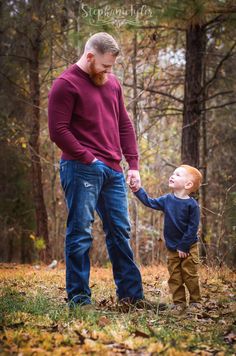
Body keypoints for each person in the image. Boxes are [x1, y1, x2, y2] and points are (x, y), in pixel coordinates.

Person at [48, 32, 144, 308]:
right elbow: (58, 131)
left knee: (120, 232)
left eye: (111, 66)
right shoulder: (65, 85)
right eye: (105, 65)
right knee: (80, 233)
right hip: (80, 169)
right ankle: (79, 299)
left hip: (113, 171)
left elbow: (124, 124)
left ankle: (132, 297)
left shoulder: (112, 83)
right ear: (90, 57)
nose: (108, 70)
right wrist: (89, 158)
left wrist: (133, 164)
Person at [130, 165, 202, 315]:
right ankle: (179, 304)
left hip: (189, 247)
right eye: (173, 173)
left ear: (188, 185)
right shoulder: (167, 200)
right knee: (175, 277)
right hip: (172, 248)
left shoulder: (192, 205)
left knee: (190, 275)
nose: (172, 176)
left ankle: (196, 302)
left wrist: (184, 245)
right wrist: (138, 190)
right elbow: (150, 202)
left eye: (177, 174)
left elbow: (192, 227)